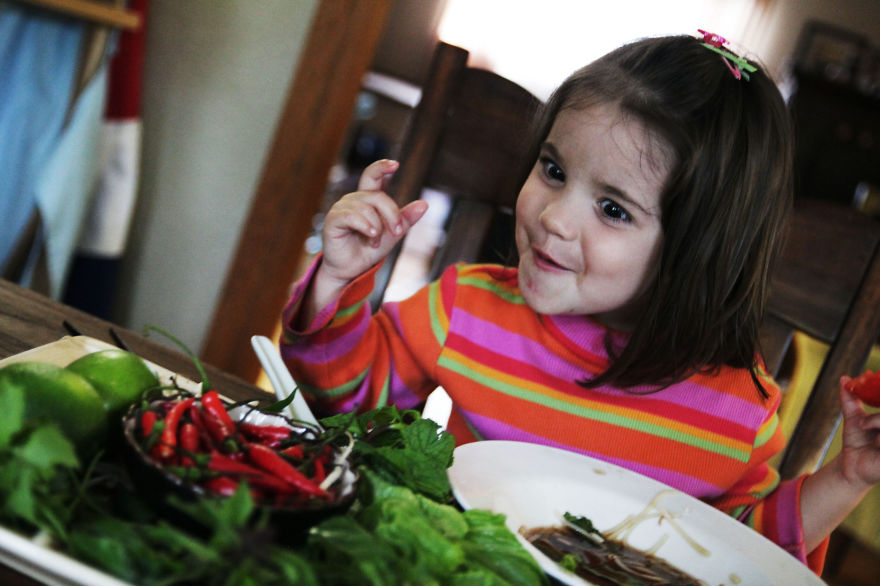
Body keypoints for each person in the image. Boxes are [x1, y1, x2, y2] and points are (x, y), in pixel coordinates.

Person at [279, 33, 880, 574]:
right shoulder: (470, 307)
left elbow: (742, 556)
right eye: (554, 169)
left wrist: (847, 478)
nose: (554, 217)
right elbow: (345, 401)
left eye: (613, 209)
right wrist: (337, 280)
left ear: (697, 251)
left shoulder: (735, 410)